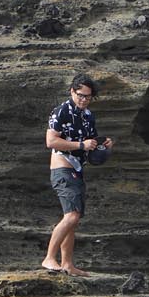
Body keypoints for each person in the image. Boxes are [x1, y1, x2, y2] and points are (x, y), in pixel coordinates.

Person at [42, 74, 114, 277]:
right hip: (62, 168)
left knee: (74, 218)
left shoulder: (88, 116)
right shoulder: (61, 111)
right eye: (80, 95)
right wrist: (80, 145)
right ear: (72, 91)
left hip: (77, 169)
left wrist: (104, 144)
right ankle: (49, 258)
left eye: (88, 97)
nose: (83, 99)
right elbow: (51, 142)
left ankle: (67, 264)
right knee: (71, 216)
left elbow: (92, 143)